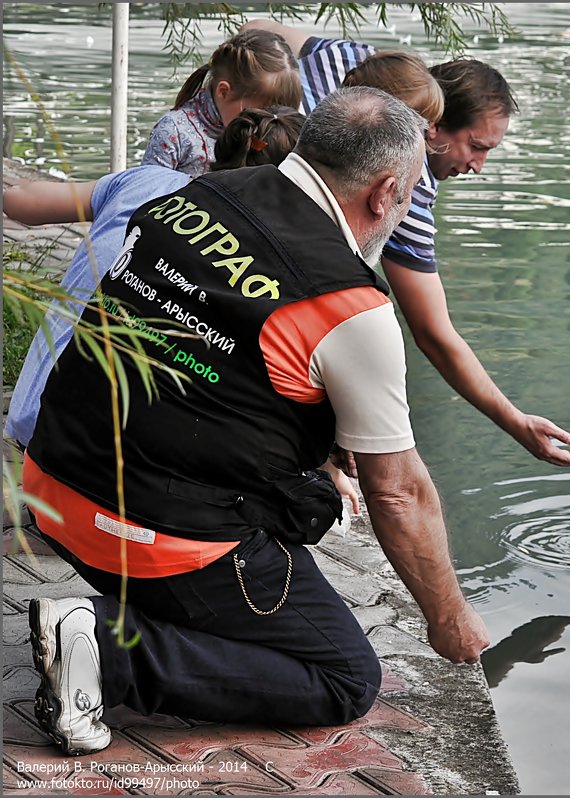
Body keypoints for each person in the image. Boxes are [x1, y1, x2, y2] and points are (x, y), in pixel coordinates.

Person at [23, 87, 489, 757]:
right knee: (344, 678)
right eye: (416, 191)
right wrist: (450, 622)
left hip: (51, 489)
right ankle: (107, 652)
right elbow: (399, 491)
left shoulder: (187, 199)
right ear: (385, 192)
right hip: (151, 537)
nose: (412, 204)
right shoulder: (346, 302)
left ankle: (120, 624)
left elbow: (202, 356)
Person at [241, 19, 570, 468]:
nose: (478, 166)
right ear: (433, 129)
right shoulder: (406, 188)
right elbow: (436, 335)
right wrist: (515, 422)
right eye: (476, 146)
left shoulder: (358, 61)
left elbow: (258, 27)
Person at [4, 107, 306, 450]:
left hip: (30, 410)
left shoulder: (148, 179)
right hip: (94, 448)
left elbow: (18, 201)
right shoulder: (253, 250)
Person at [142, 29, 301, 176]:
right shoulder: (173, 132)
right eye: (262, 112)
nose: (271, 123)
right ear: (224, 92)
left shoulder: (276, 129)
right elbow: (147, 195)